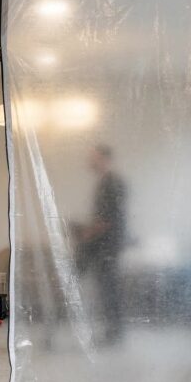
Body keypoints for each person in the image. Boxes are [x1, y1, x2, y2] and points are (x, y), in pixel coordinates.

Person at [75, 144, 127, 345]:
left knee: (108, 288)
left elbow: (109, 218)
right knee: (105, 288)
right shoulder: (104, 182)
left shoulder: (113, 183)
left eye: (94, 157)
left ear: (105, 159)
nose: (90, 161)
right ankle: (113, 333)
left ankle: (114, 334)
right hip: (100, 244)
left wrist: (87, 232)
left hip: (107, 246)